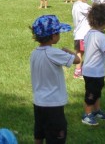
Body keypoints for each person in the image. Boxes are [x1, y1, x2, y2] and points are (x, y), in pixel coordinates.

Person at [30, 15, 80, 144]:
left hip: (39, 102)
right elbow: (78, 60)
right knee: (56, 137)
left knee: (39, 134)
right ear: (52, 37)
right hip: (53, 105)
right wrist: (69, 51)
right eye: (58, 33)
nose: (59, 35)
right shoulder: (53, 53)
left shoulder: (34, 53)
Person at [81, 3, 105, 126]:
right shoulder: (100, 37)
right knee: (91, 94)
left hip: (93, 71)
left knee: (97, 92)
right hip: (93, 72)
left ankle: (96, 111)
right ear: (104, 21)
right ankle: (87, 115)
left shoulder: (89, 33)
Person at [71, 0, 91, 79]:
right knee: (82, 53)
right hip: (83, 34)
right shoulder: (83, 6)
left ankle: (79, 71)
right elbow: (95, 11)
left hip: (78, 34)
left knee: (80, 52)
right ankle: (78, 72)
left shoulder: (75, 4)